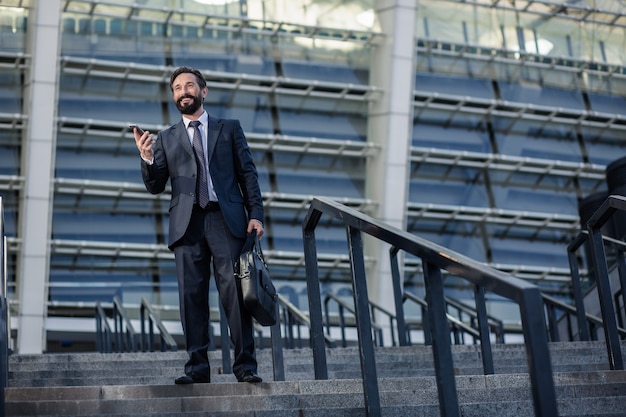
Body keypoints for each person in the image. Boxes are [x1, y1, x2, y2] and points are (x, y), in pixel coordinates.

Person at [133, 66, 265, 384]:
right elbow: (156, 186)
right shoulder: (166, 138)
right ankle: (197, 368)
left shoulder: (229, 129)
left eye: (189, 86)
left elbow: (248, 174)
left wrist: (256, 214)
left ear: (203, 91)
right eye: (177, 88)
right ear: (173, 96)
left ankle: (245, 366)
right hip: (186, 225)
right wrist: (147, 158)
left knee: (235, 294)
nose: (183, 91)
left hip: (225, 220)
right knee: (191, 298)